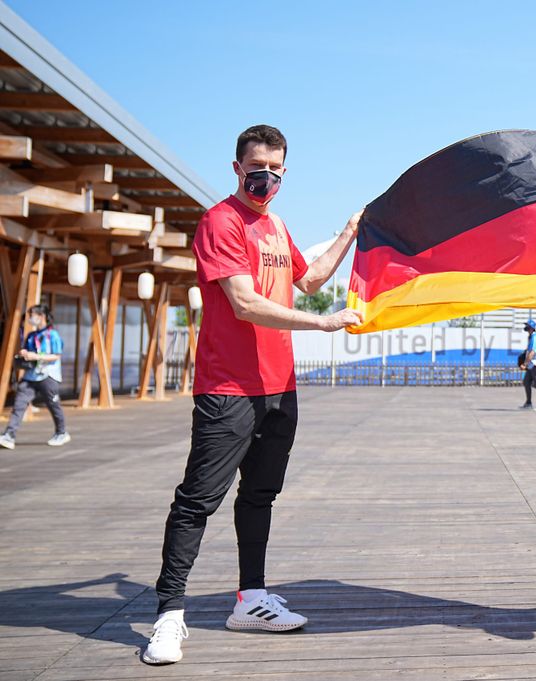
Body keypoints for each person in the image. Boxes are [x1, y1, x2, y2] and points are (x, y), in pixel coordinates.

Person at [143, 125, 364, 665]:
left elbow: (308, 279)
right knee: (198, 500)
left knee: (261, 496)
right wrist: (325, 324)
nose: (268, 177)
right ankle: (169, 615)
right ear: (238, 168)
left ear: (285, 172)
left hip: (278, 388)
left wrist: (351, 231)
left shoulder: (275, 225)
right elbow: (244, 303)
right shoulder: (221, 221)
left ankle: (252, 598)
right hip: (229, 388)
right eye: (258, 167)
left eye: (277, 170)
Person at [0, 304, 70, 449]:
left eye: (32, 315)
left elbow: (56, 356)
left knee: (53, 405)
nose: (30, 318)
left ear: (41, 316)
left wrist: (36, 356)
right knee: (19, 404)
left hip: (48, 376)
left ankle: (61, 432)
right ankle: (9, 435)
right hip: (31, 376)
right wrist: (24, 354)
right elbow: (28, 352)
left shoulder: (52, 335)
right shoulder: (31, 336)